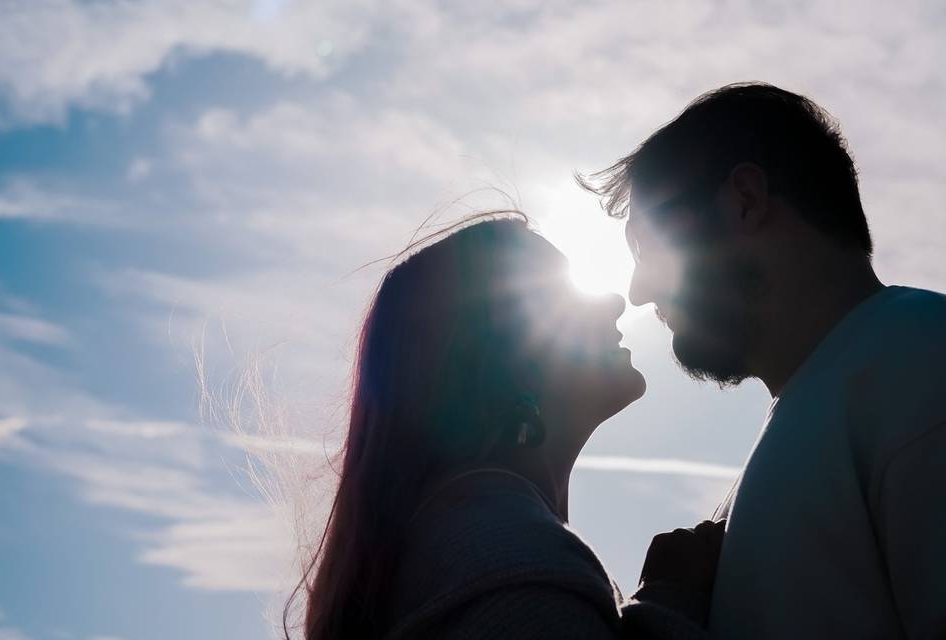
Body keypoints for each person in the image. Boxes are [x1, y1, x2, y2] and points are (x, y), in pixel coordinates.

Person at [579, 82, 946, 639]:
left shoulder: (922, 359)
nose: (638, 290)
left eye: (646, 244)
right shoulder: (855, 388)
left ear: (745, 200)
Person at [289, 213, 723, 640]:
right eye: (559, 297)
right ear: (503, 366)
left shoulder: (459, 550)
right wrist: (669, 605)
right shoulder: (513, 565)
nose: (614, 301)